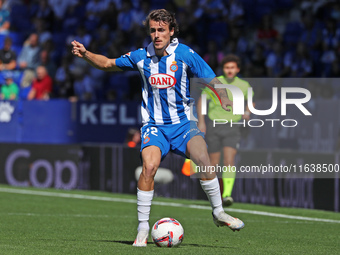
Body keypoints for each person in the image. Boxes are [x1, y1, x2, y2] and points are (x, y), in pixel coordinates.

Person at [71, 9, 244, 247]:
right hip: (155, 126)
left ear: (172, 31)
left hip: (184, 125)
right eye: (152, 30)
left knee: (204, 159)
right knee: (149, 167)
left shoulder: (184, 54)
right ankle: (142, 229)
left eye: (161, 30)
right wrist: (86, 53)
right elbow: (108, 64)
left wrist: (223, 97)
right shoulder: (141, 56)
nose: (156, 35)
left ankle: (218, 212)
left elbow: (210, 78)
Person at [198, 54, 253, 206]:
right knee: (214, 163)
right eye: (227, 67)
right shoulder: (215, 83)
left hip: (232, 126)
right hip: (215, 125)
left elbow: (251, 101)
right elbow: (202, 101)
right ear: (223, 69)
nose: (229, 70)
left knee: (229, 160)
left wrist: (247, 112)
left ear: (238, 69)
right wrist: (201, 122)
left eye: (232, 68)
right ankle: (215, 196)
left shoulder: (244, 85)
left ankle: (227, 194)